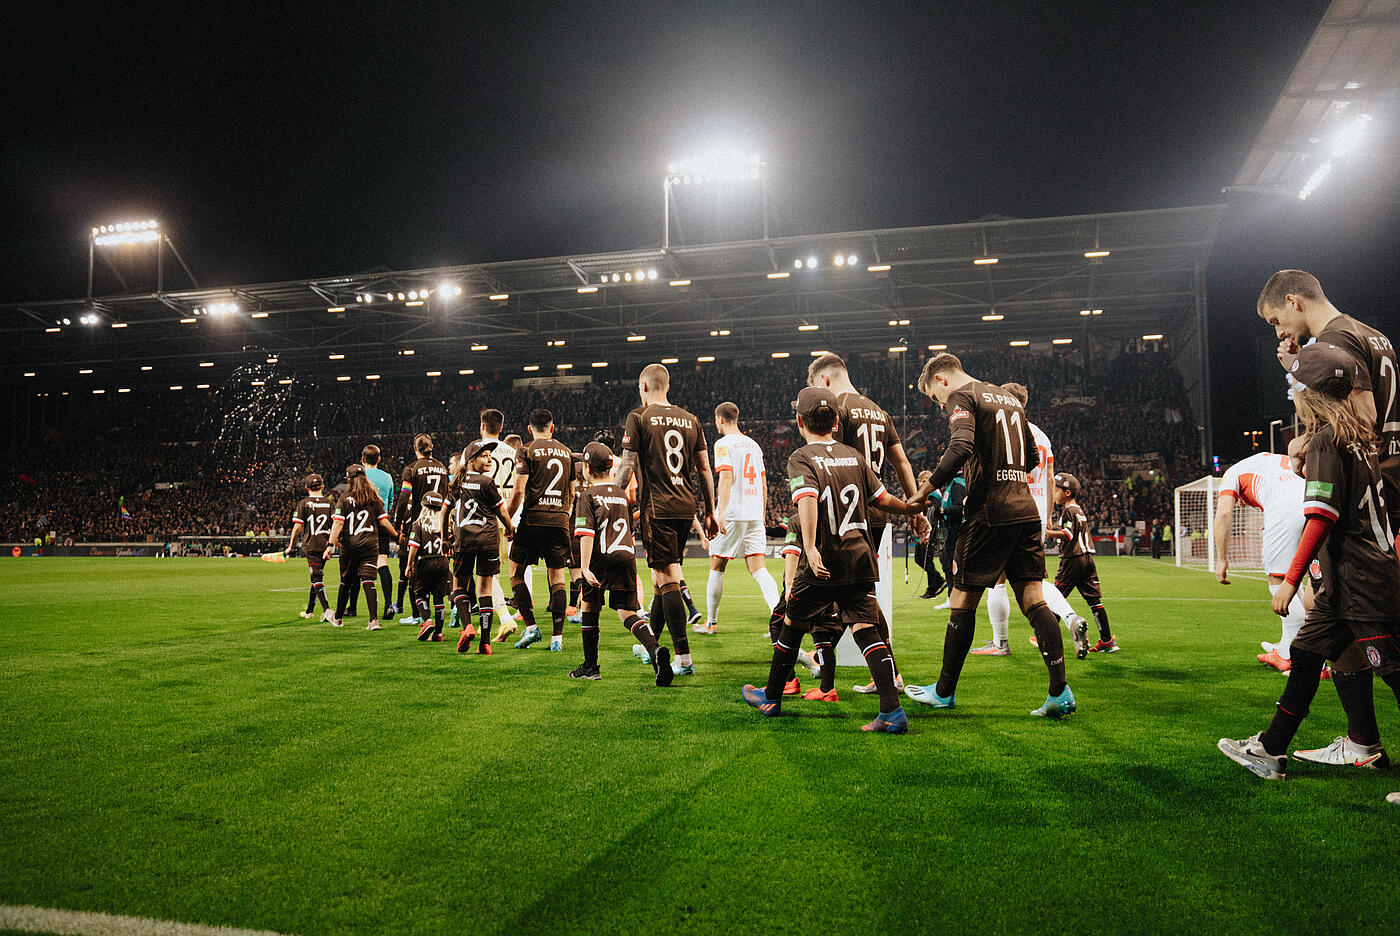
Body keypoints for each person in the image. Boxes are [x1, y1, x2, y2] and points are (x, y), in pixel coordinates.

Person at [1219, 343, 1400, 784]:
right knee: (1304, 651)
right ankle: (1271, 750)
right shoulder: (1357, 439)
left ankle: (1282, 747)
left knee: (1395, 672)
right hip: (1352, 577)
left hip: (1362, 579)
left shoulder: (1325, 442)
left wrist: (1290, 581)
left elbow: (1320, 517)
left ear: (1308, 395)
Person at [1258, 269, 1399, 758]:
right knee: (1328, 626)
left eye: (1277, 319)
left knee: (1380, 639)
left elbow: (1356, 421)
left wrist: (1306, 442)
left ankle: (1360, 741)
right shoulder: (1369, 333)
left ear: (1294, 301)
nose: (1279, 332)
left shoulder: (1335, 340)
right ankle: (1355, 741)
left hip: (1371, 510)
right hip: (1383, 492)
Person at [741, 386, 927, 731]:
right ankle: (891, 712)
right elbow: (882, 498)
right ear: (836, 422)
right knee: (865, 627)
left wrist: (809, 547)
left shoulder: (801, 457)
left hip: (824, 560)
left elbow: (808, 499)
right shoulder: (853, 456)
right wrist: (909, 507)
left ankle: (771, 696)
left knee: (792, 624)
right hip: (859, 555)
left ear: (799, 421)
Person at [903, 353, 1078, 718]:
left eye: (936, 399)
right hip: (1025, 510)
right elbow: (1031, 456)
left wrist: (926, 489)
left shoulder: (962, 396)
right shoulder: (1008, 398)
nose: (941, 406)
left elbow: (961, 446)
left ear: (940, 380)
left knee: (962, 598)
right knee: (1033, 599)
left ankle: (944, 691)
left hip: (989, 512)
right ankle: (1059, 691)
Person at [807, 353, 929, 694]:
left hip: (846, 515)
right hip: (877, 515)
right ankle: (884, 674)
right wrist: (914, 507)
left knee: (840, 596)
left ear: (825, 380)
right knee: (860, 596)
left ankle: (818, 667)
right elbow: (902, 462)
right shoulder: (879, 411)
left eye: (816, 388)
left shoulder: (836, 408)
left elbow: (833, 460)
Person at [616, 364, 719, 679]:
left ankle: (683, 658)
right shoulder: (691, 419)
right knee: (661, 580)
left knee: (667, 575)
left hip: (657, 507)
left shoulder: (639, 417)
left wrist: (612, 496)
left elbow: (628, 465)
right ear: (667, 387)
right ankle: (652, 645)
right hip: (685, 506)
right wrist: (710, 510)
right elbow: (704, 469)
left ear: (643, 387)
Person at [973, 382, 1089, 657]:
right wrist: (1047, 517)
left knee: (998, 579)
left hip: (1008, 508)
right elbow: (1050, 478)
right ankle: (1071, 617)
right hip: (1035, 513)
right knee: (1032, 580)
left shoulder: (1001, 427)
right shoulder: (1042, 436)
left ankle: (1000, 643)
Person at [1213, 439, 1308, 671]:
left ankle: (1292, 657)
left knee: (1279, 580)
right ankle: (1290, 646)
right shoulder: (1270, 461)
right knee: (1302, 581)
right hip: (1315, 502)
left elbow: (1224, 513)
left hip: (1286, 510)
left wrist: (1221, 559)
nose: (1243, 505)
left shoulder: (1232, 474)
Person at [571, 441, 659, 682]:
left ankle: (591, 667)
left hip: (600, 555)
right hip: (626, 556)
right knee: (627, 612)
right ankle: (654, 649)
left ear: (587, 469)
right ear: (611, 469)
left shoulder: (587, 495)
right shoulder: (621, 495)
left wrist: (585, 567)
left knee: (590, 607)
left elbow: (587, 534)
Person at [701, 402, 781, 634]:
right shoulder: (754, 445)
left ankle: (711, 623)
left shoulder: (723, 444)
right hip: (755, 512)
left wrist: (721, 512)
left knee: (717, 565)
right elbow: (764, 484)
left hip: (734, 512)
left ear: (720, 420)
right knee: (759, 569)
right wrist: (762, 515)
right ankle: (780, 622)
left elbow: (726, 477)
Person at [504, 409, 575, 652]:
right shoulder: (567, 452)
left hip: (533, 520)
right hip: (559, 521)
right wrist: (564, 514)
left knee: (515, 572)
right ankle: (557, 638)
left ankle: (532, 627)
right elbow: (572, 493)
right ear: (552, 427)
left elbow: (518, 491)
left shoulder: (527, 450)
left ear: (529, 428)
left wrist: (509, 522)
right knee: (557, 579)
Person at [448, 439, 516, 653]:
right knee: (484, 589)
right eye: (485, 456)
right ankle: (485, 643)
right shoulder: (487, 483)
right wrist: (510, 527)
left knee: (458, 587)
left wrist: (443, 538)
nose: (489, 459)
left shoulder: (456, 482)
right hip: (488, 541)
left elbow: (443, 512)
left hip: (464, 541)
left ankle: (468, 625)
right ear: (471, 459)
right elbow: (501, 511)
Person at [1047, 473, 1116, 655]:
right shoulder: (1079, 510)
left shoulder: (1068, 511)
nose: (1054, 493)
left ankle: (1045, 637)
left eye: (1057, 489)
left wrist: (1048, 533)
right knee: (1094, 601)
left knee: (1056, 597)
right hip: (1088, 558)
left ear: (1067, 492)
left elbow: (1068, 534)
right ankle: (1107, 640)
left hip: (1073, 559)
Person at [324, 464, 399, 630]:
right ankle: (373, 621)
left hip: (350, 546)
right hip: (370, 545)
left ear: (350, 480)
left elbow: (337, 522)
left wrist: (330, 544)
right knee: (368, 580)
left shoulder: (345, 498)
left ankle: (338, 618)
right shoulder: (374, 497)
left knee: (346, 581)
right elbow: (384, 522)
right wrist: (397, 536)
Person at [394, 434, 448, 624]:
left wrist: (397, 525)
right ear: (432, 446)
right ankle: (447, 609)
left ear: (415, 448)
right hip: (440, 524)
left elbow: (403, 498)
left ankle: (418, 615)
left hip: (419, 523)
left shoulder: (412, 469)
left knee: (414, 569)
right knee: (442, 565)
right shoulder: (442, 468)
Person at [285, 473, 335, 622]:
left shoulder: (303, 503)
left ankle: (327, 610)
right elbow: (336, 525)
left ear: (306, 488)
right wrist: (333, 544)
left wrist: (290, 546)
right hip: (326, 545)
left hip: (312, 545)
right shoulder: (330, 503)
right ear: (322, 487)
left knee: (316, 577)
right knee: (316, 576)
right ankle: (309, 611)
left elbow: (297, 528)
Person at [406, 491, 453, 642]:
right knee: (439, 598)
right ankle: (438, 634)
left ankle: (427, 620)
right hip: (442, 562)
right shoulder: (446, 523)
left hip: (425, 561)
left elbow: (414, 546)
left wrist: (409, 564)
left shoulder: (419, 523)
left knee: (419, 594)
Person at [360, 444, 398, 615]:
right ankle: (389, 605)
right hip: (382, 523)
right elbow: (389, 503)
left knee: (358, 564)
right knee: (382, 562)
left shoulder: (360, 476)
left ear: (363, 459)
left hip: (363, 524)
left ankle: (353, 607)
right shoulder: (388, 477)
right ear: (379, 459)